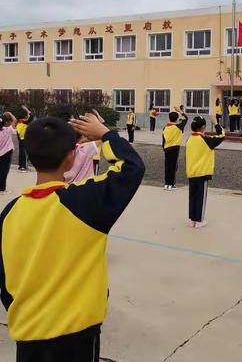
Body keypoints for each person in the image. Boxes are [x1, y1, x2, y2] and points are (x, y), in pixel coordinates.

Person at [0, 114, 145, 361]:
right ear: (70, 157)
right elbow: (132, 167)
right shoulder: (85, 201)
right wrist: (106, 134)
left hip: (29, 335)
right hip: (76, 336)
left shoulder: (10, 212)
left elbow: (5, 280)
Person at [186, 114, 225, 228]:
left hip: (192, 172)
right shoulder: (206, 140)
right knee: (201, 197)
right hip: (202, 172)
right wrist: (216, 123)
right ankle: (199, 220)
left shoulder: (189, 139)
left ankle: (192, 219)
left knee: (192, 196)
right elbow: (222, 135)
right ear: (203, 127)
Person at [64, 110, 105, 184]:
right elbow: (104, 135)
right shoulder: (86, 149)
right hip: (86, 189)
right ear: (83, 135)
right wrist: (99, 120)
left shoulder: (61, 154)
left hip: (68, 190)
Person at [162, 105, 188, 191]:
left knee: (167, 166)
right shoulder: (178, 127)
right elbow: (186, 118)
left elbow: (163, 140)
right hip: (175, 148)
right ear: (177, 119)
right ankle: (171, 184)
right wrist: (180, 111)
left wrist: (164, 148)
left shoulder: (165, 127)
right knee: (173, 166)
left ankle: (166, 184)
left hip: (167, 148)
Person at [0, 112, 18, 194]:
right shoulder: (7, 130)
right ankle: (2, 189)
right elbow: (15, 120)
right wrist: (9, 113)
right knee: (4, 171)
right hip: (6, 153)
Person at [16, 105, 31, 172]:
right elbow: (31, 116)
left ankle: (20, 165)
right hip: (24, 139)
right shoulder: (25, 122)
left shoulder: (19, 123)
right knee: (24, 152)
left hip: (21, 139)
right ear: (24, 116)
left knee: (21, 152)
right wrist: (27, 110)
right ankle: (23, 167)